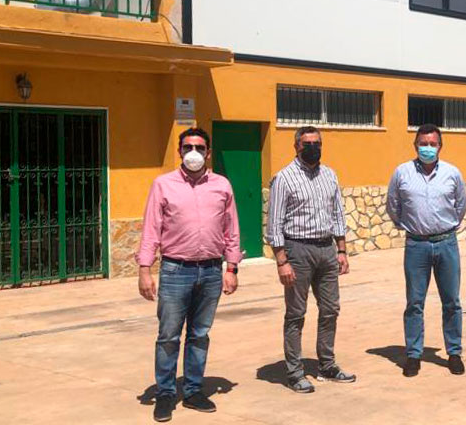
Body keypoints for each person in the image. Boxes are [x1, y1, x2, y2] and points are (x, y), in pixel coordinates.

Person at [137, 127, 242, 422]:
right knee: (168, 336)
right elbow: (151, 230)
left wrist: (231, 268)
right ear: (180, 151)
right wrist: (145, 269)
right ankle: (166, 393)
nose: (193, 152)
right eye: (187, 147)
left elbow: (231, 230)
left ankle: (194, 390)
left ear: (208, 152)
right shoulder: (163, 184)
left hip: (210, 270)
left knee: (199, 334)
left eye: (199, 147)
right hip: (175, 270)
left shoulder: (222, 185)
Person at [267, 126, 356, 393]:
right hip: (297, 251)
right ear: (296, 146)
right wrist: (282, 261)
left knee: (330, 309)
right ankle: (295, 372)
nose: (312, 147)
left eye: (317, 143)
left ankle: (327, 364)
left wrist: (341, 250)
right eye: (307, 143)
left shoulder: (329, 175)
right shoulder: (284, 178)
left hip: (327, 250)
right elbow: (274, 223)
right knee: (296, 313)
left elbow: (337, 214)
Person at [387, 123, 466, 377]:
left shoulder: (452, 173)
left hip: (446, 243)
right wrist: (409, 226)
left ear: (440, 146)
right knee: (414, 302)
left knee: (452, 301)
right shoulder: (402, 173)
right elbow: (393, 205)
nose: (428, 148)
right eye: (423, 143)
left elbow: (461, 206)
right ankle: (413, 354)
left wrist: (447, 226)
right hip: (416, 245)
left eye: (433, 144)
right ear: (415, 145)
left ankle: (453, 352)